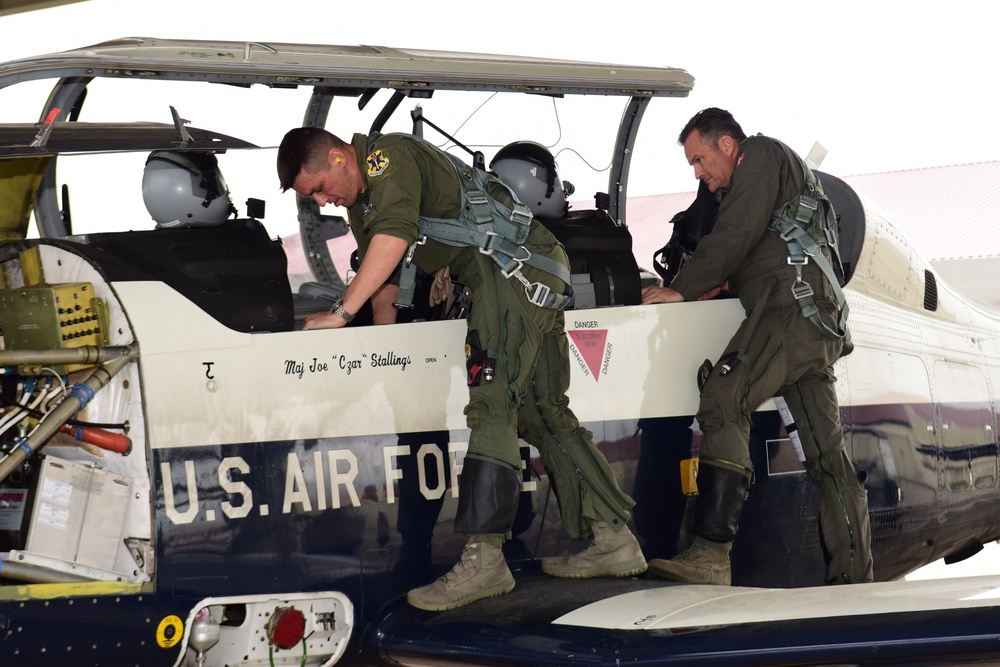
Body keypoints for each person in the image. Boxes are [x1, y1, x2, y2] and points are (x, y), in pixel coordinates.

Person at [276, 128, 645, 611]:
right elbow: (384, 276)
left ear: (340, 158)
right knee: (541, 412)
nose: (323, 201)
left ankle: (484, 558)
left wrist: (341, 313)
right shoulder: (363, 204)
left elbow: (393, 238)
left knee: (492, 402)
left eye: (320, 188)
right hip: (530, 270)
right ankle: (615, 539)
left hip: (511, 272)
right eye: (313, 198)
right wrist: (388, 359)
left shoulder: (388, 158)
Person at [640, 108, 873, 586]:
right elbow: (763, 242)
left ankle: (711, 553)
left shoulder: (760, 154)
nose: (701, 176)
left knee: (724, 400)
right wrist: (719, 280)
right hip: (810, 322)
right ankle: (855, 579)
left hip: (788, 314)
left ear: (727, 145)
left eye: (700, 160)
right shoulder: (772, 172)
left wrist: (682, 288)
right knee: (830, 462)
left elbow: (738, 231)